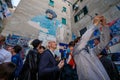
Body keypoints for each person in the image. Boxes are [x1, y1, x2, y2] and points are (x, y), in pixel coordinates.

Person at [73, 15, 110, 80]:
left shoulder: (92, 51)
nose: (81, 41)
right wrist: (94, 24)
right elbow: (84, 40)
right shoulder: (76, 52)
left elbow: (105, 42)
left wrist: (104, 26)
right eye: (79, 41)